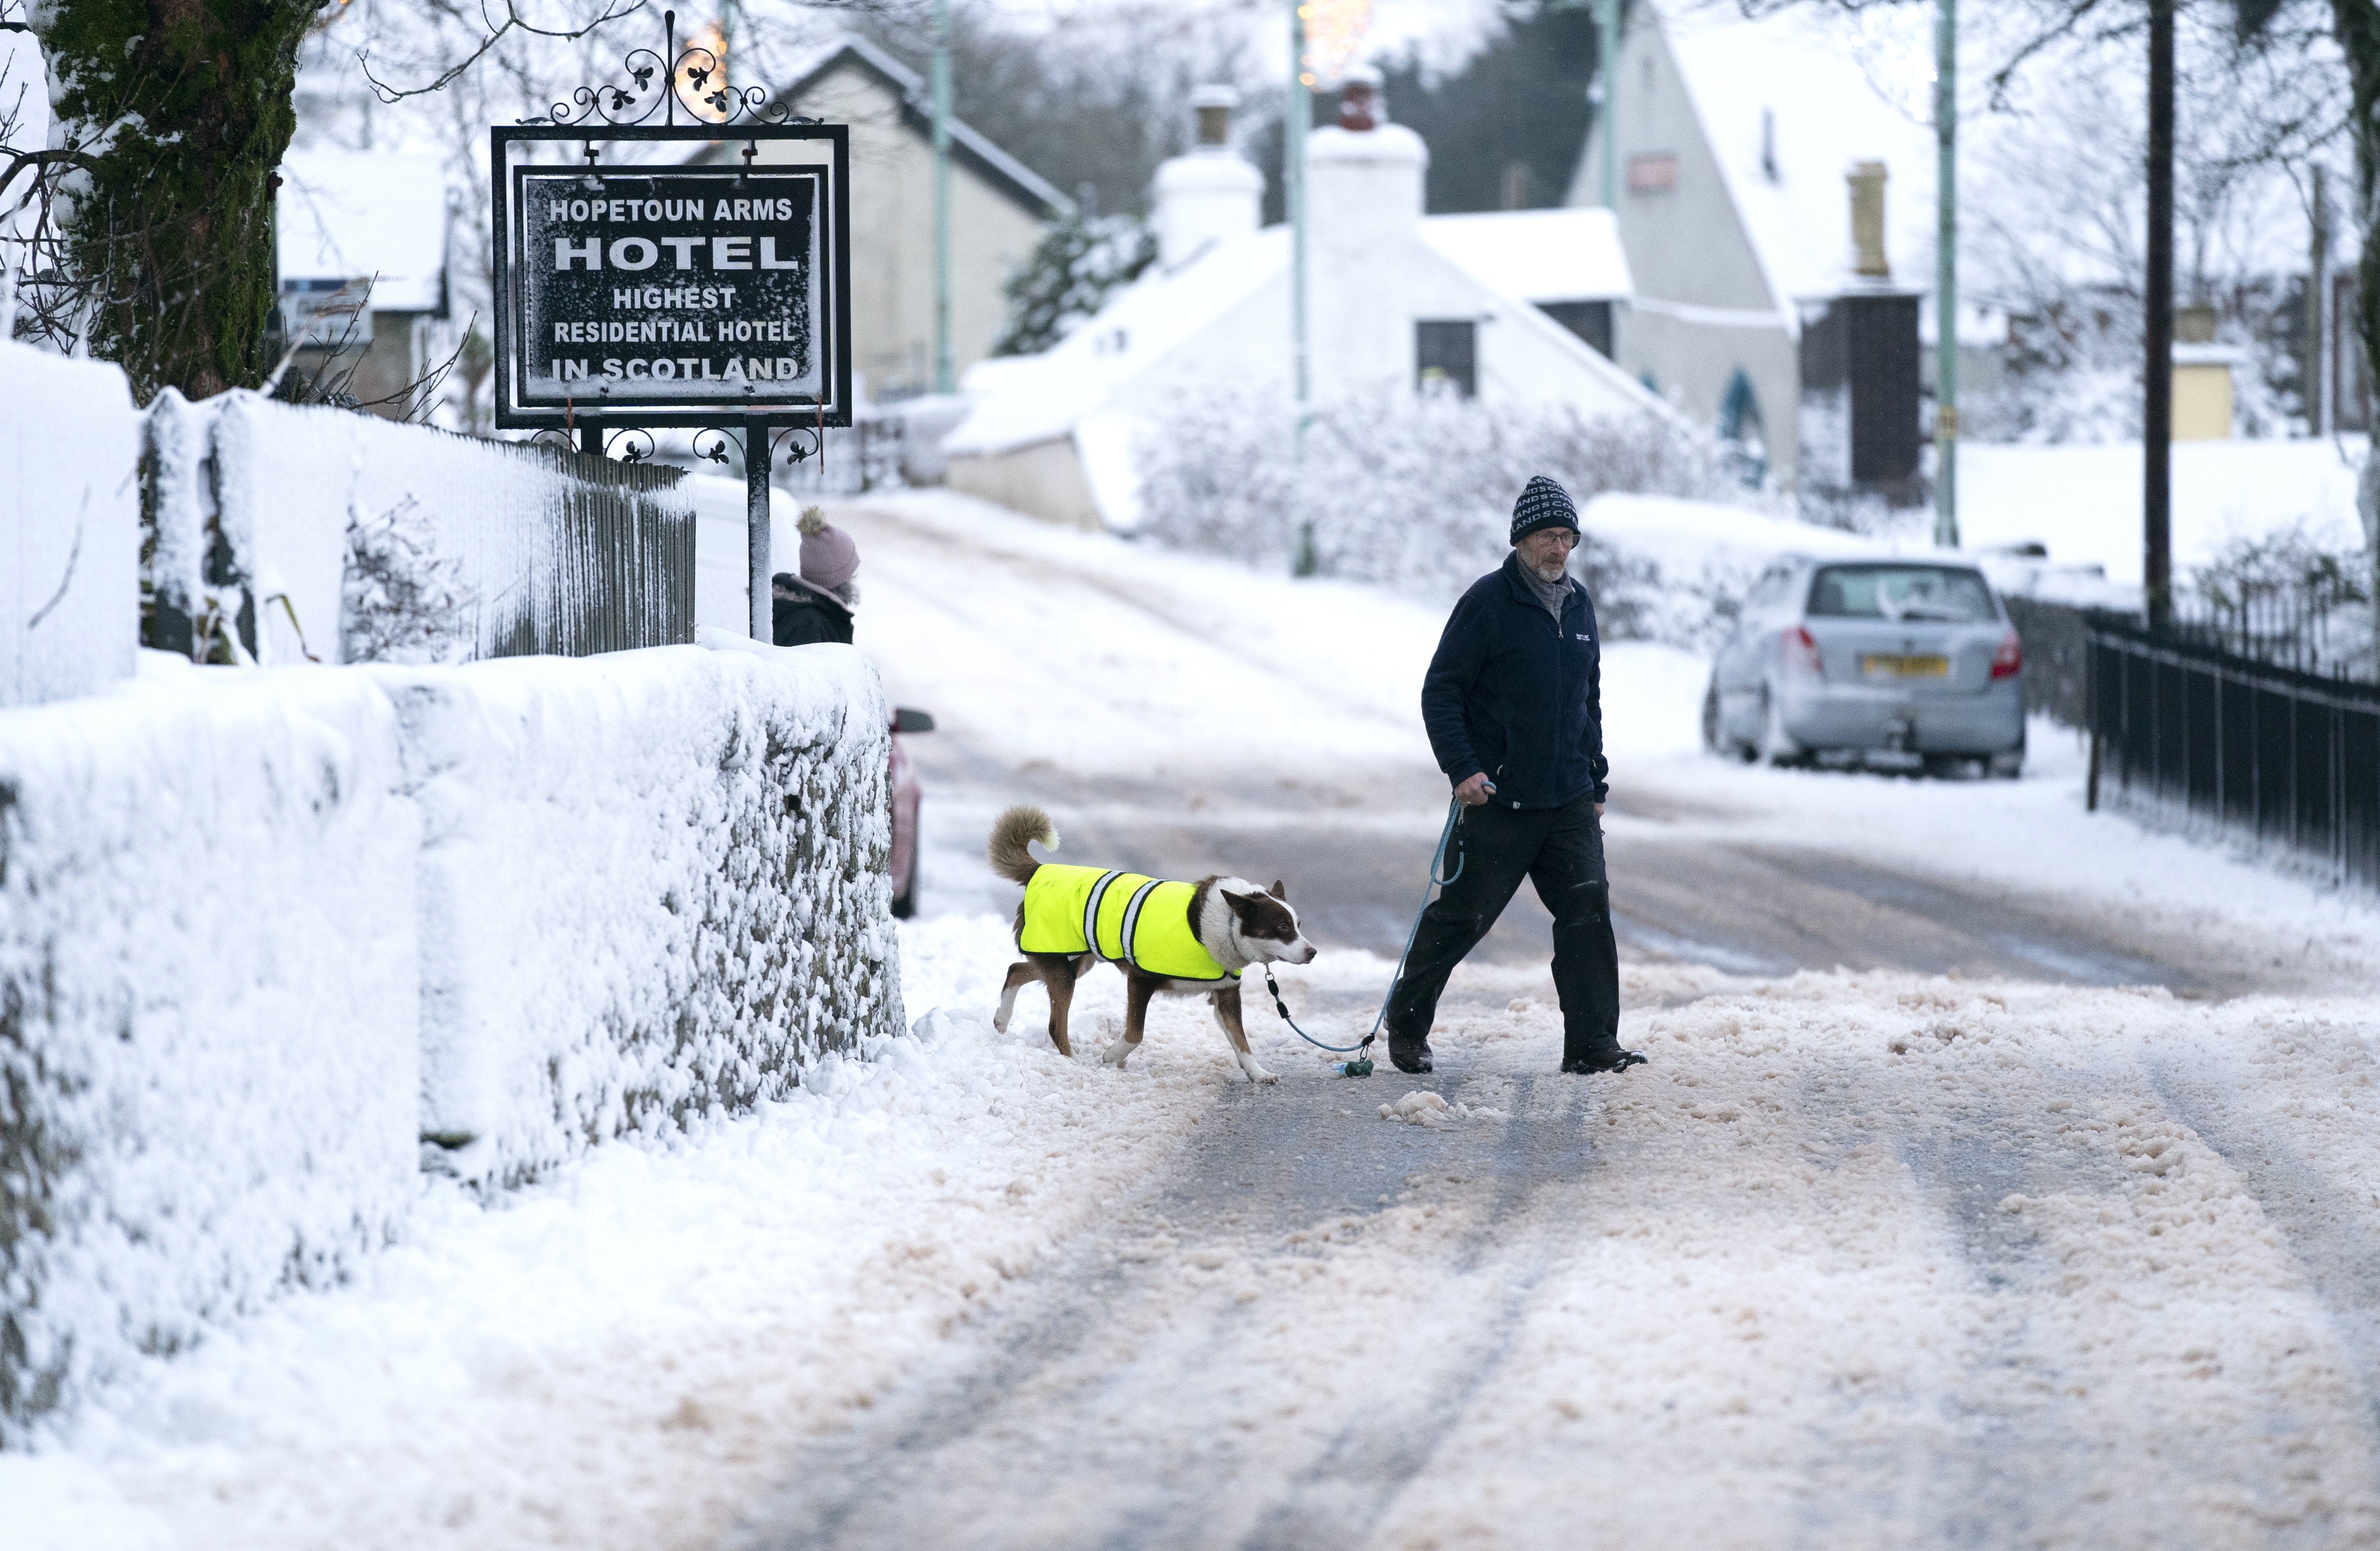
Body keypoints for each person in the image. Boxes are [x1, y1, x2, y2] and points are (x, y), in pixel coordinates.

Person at [1382, 474, 1646, 1077]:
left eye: (1568, 538)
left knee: (1587, 917)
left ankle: (1590, 1044)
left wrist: (1596, 781)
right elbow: (1441, 691)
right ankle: (1406, 1024)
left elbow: (1589, 702)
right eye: (1549, 537)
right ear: (1522, 540)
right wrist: (1463, 769)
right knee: (1461, 920)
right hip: (1499, 799)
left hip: (1568, 802)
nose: (1559, 549)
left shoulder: (1579, 606)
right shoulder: (1487, 604)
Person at [772, 506, 858, 646]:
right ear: (838, 578)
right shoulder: (810, 625)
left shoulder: (818, 615)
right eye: (851, 571)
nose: (853, 577)